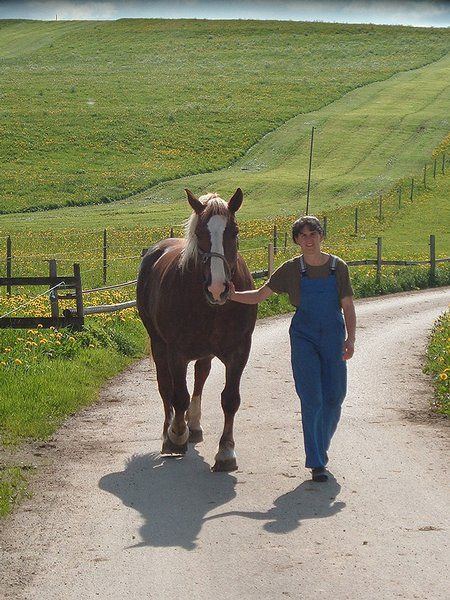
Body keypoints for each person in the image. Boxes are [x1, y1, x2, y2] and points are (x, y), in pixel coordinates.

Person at [229, 215, 356, 482]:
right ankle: (317, 462)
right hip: (304, 337)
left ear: (321, 236)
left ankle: (320, 447)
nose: (308, 240)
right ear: (297, 240)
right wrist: (231, 295)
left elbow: (348, 306)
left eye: (313, 234)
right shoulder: (290, 269)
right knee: (312, 398)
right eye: (303, 236)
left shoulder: (338, 267)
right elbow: (259, 295)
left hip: (334, 334)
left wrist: (350, 340)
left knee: (335, 397)